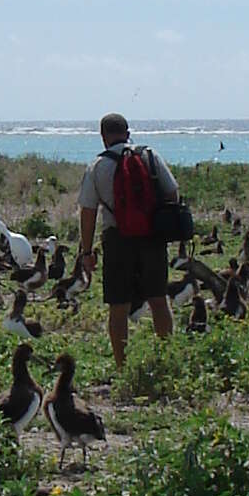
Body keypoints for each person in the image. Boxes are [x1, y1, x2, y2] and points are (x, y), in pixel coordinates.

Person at [78, 113, 182, 369]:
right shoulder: (150, 156)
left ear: (103, 137)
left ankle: (122, 366)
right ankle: (167, 361)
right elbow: (173, 193)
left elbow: (88, 212)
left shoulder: (97, 166)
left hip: (117, 240)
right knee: (158, 300)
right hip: (152, 237)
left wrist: (87, 251)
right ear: (127, 132)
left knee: (119, 307)